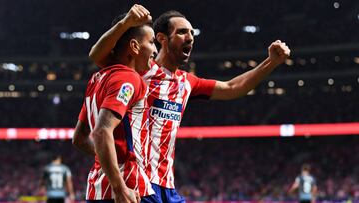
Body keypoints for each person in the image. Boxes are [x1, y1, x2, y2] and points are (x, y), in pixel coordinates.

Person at [88, 4, 291, 203]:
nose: (190, 38)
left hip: (167, 186)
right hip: (139, 182)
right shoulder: (142, 70)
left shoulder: (187, 82)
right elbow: (98, 56)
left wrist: (270, 62)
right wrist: (126, 23)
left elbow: (232, 88)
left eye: (192, 33)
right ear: (162, 39)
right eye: (182, 32)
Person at [73, 12, 159, 203]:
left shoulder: (96, 80)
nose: (155, 50)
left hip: (97, 191)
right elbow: (102, 131)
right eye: (152, 42)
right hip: (129, 187)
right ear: (135, 47)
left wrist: (108, 159)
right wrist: (119, 185)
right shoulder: (128, 78)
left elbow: (79, 139)